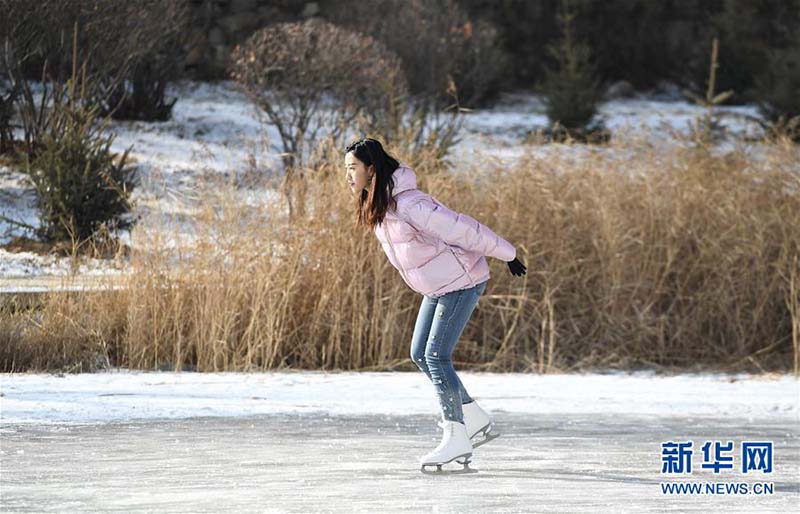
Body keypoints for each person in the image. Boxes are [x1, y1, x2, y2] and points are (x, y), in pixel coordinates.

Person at [344, 137, 527, 474]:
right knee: (419, 353)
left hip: (462, 281)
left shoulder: (412, 204)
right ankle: (472, 416)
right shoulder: (383, 202)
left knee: (435, 356)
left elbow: (461, 228)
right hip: (439, 286)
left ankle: (456, 435)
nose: (348, 175)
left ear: (371, 169)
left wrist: (507, 253)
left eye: (352, 167)